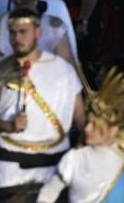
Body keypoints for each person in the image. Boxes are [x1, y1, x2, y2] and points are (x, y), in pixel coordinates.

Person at [0, 7, 85, 197]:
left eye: (23, 32)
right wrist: (7, 125)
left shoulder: (64, 70)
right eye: (13, 32)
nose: (17, 38)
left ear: (38, 33)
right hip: (9, 171)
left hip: (54, 172)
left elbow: (80, 119)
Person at [37, 66, 124, 203]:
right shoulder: (74, 159)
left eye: (95, 125)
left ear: (113, 130)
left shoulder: (120, 161)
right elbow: (47, 196)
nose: (87, 128)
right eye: (88, 122)